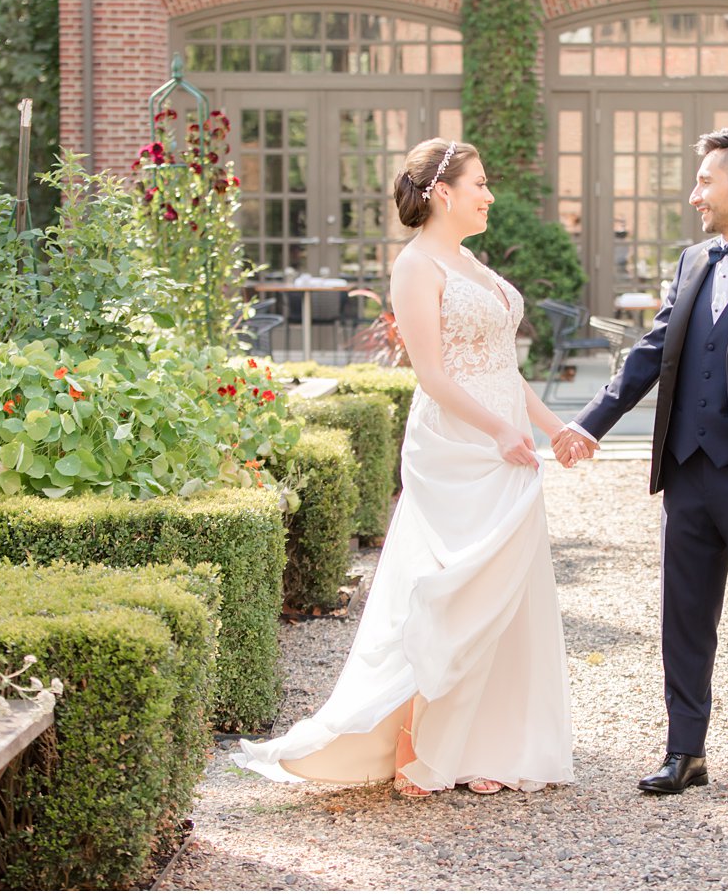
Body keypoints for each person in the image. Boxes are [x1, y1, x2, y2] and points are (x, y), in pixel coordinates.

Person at [235, 138, 579, 798]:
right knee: (454, 589)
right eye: (480, 183)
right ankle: (422, 742)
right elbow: (433, 375)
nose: (490, 194)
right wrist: (501, 428)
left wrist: (553, 427)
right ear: (442, 192)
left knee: (504, 595)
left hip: (507, 446)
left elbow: (505, 368)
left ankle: (491, 746)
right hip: (457, 445)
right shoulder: (417, 266)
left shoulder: (471, 260)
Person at [555, 128, 728, 798]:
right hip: (687, 472)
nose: (694, 195)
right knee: (683, 616)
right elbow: (651, 353)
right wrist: (588, 423)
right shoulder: (692, 263)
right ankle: (686, 751)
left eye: (704, 180)